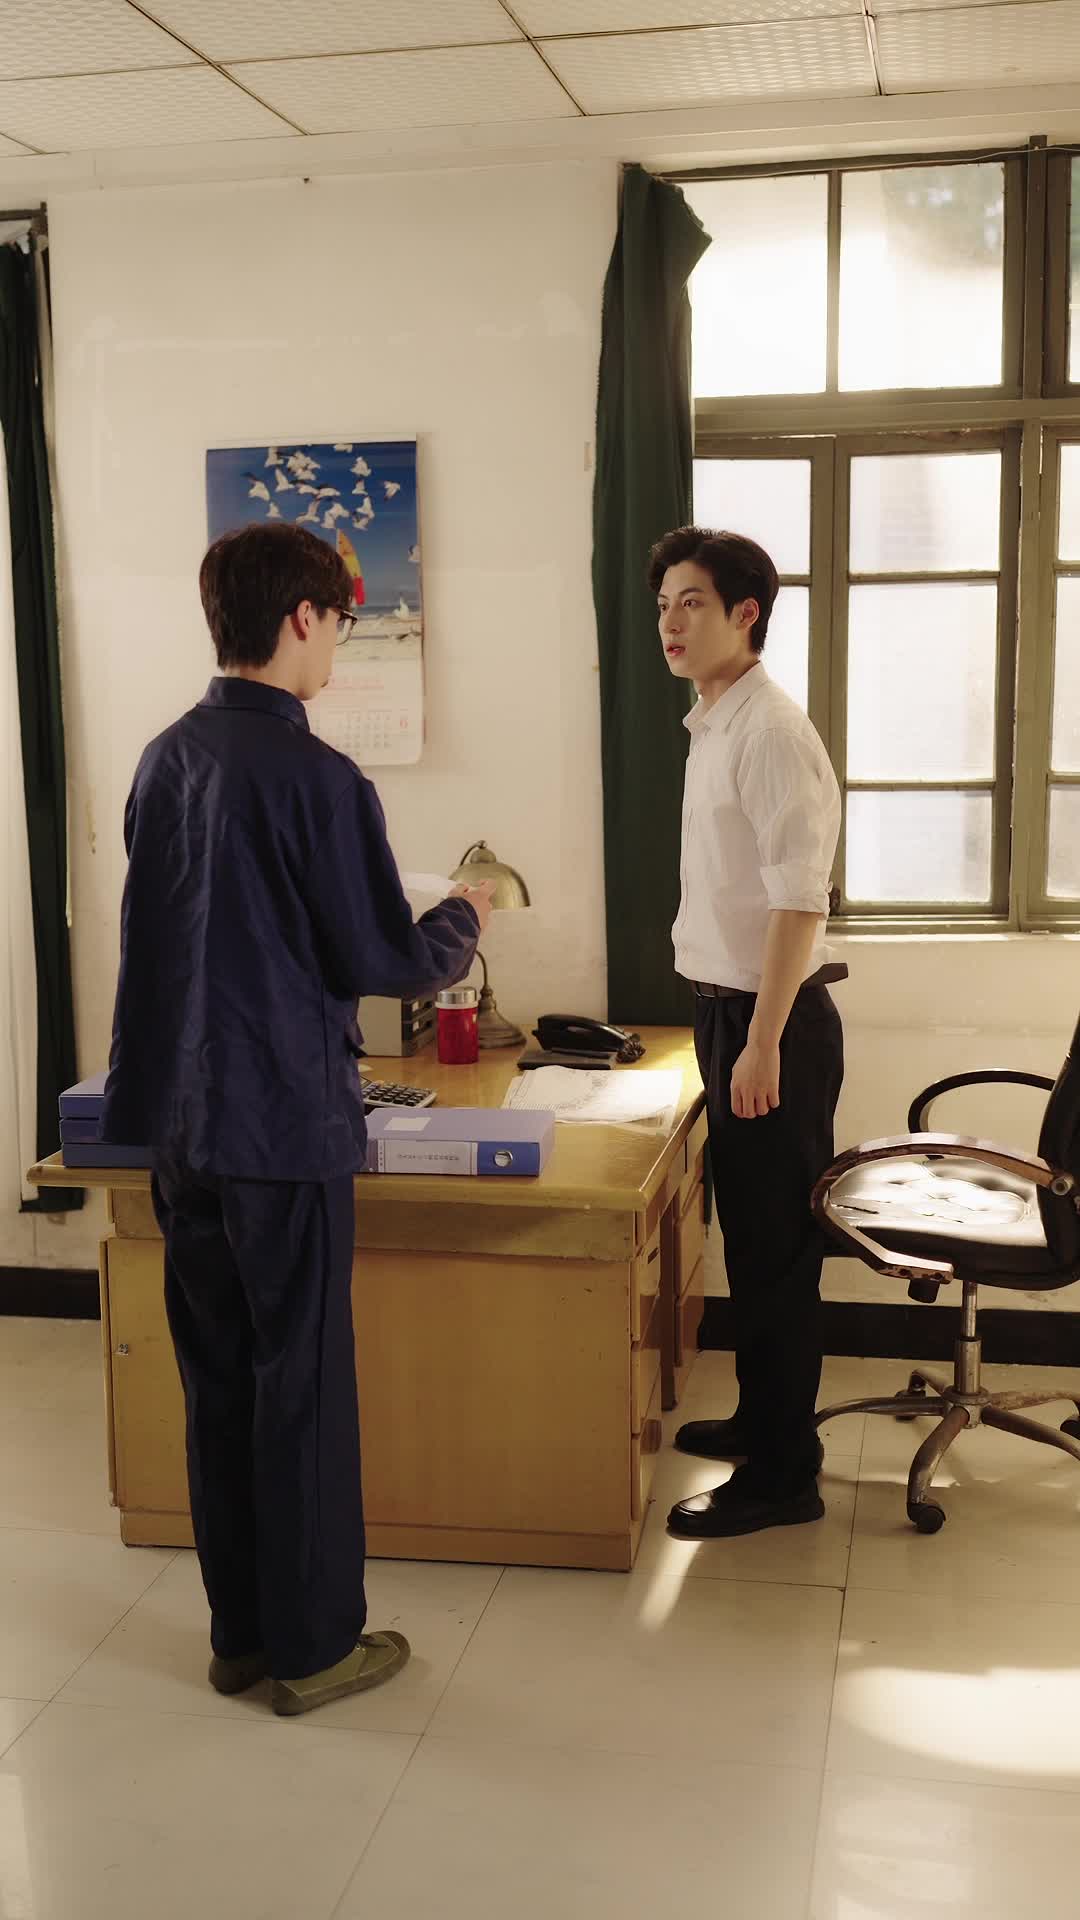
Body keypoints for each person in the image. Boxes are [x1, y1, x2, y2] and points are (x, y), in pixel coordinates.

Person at [102, 521, 493, 1713]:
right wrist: (466, 915)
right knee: (301, 1388)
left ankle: (241, 1637)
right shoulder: (319, 778)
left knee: (217, 1381)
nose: (339, 649)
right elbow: (383, 957)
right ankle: (317, 1648)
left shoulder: (164, 760)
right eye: (340, 625)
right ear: (303, 617)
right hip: (281, 1126)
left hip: (184, 1127)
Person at [650, 526, 845, 1540]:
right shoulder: (716, 723)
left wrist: (762, 1042)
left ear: (745, 613)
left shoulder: (769, 732)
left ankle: (783, 1476)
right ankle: (763, 1423)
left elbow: (799, 903)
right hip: (729, 1012)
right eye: (663, 606)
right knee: (753, 1239)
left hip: (770, 1022)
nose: (671, 623)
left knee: (776, 1255)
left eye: (691, 602)